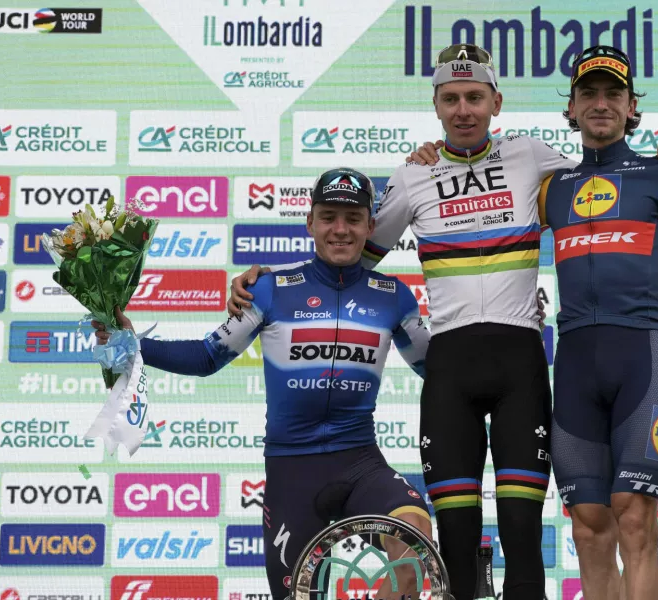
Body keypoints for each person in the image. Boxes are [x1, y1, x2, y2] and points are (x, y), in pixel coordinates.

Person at [227, 44, 658, 600]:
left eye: (475, 97)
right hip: (449, 372)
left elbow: (609, 180)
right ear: (436, 106)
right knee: (453, 537)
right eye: (451, 99)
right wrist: (269, 282)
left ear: (496, 101)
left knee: (524, 535)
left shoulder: (534, 158)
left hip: (520, 365)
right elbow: (345, 257)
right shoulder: (412, 175)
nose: (464, 110)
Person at [94, 168, 433, 600]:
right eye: (328, 217)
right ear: (310, 222)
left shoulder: (394, 295)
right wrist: (133, 343)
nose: (341, 229)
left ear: (371, 225)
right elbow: (205, 357)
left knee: (413, 542)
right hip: (292, 473)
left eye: (353, 218)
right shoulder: (270, 289)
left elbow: (438, 368)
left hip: (361, 464)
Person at [538, 45, 658, 600]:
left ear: (633, 109)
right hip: (574, 361)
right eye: (588, 94)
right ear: (571, 110)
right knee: (588, 527)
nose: (600, 104)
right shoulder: (551, 188)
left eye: (613, 94)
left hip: (640, 358)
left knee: (634, 517)